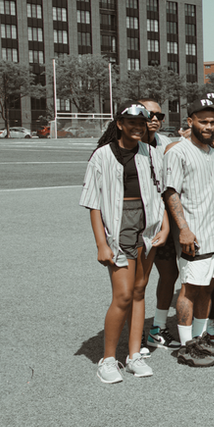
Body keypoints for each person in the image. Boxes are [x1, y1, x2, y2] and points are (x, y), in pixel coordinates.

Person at [79, 103, 169, 383]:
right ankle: (107, 359)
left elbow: (161, 193)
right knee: (123, 296)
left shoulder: (151, 153)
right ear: (119, 123)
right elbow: (93, 203)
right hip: (119, 228)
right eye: (132, 122)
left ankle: (134, 355)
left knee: (140, 291)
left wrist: (165, 226)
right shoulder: (102, 156)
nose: (138, 127)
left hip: (148, 226)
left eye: (142, 123)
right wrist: (101, 244)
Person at [161, 99, 214, 366]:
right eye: (203, 121)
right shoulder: (178, 152)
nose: (209, 126)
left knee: (208, 288)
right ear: (190, 121)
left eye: (213, 122)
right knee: (190, 289)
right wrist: (183, 229)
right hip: (194, 233)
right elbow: (171, 192)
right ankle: (185, 346)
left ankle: (200, 337)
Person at [140, 97, 183, 350]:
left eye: (159, 115)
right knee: (138, 282)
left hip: (163, 222)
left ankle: (157, 328)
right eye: (150, 115)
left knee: (170, 273)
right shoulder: (126, 145)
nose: (155, 119)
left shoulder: (166, 143)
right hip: (138, 224)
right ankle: (135, 335)